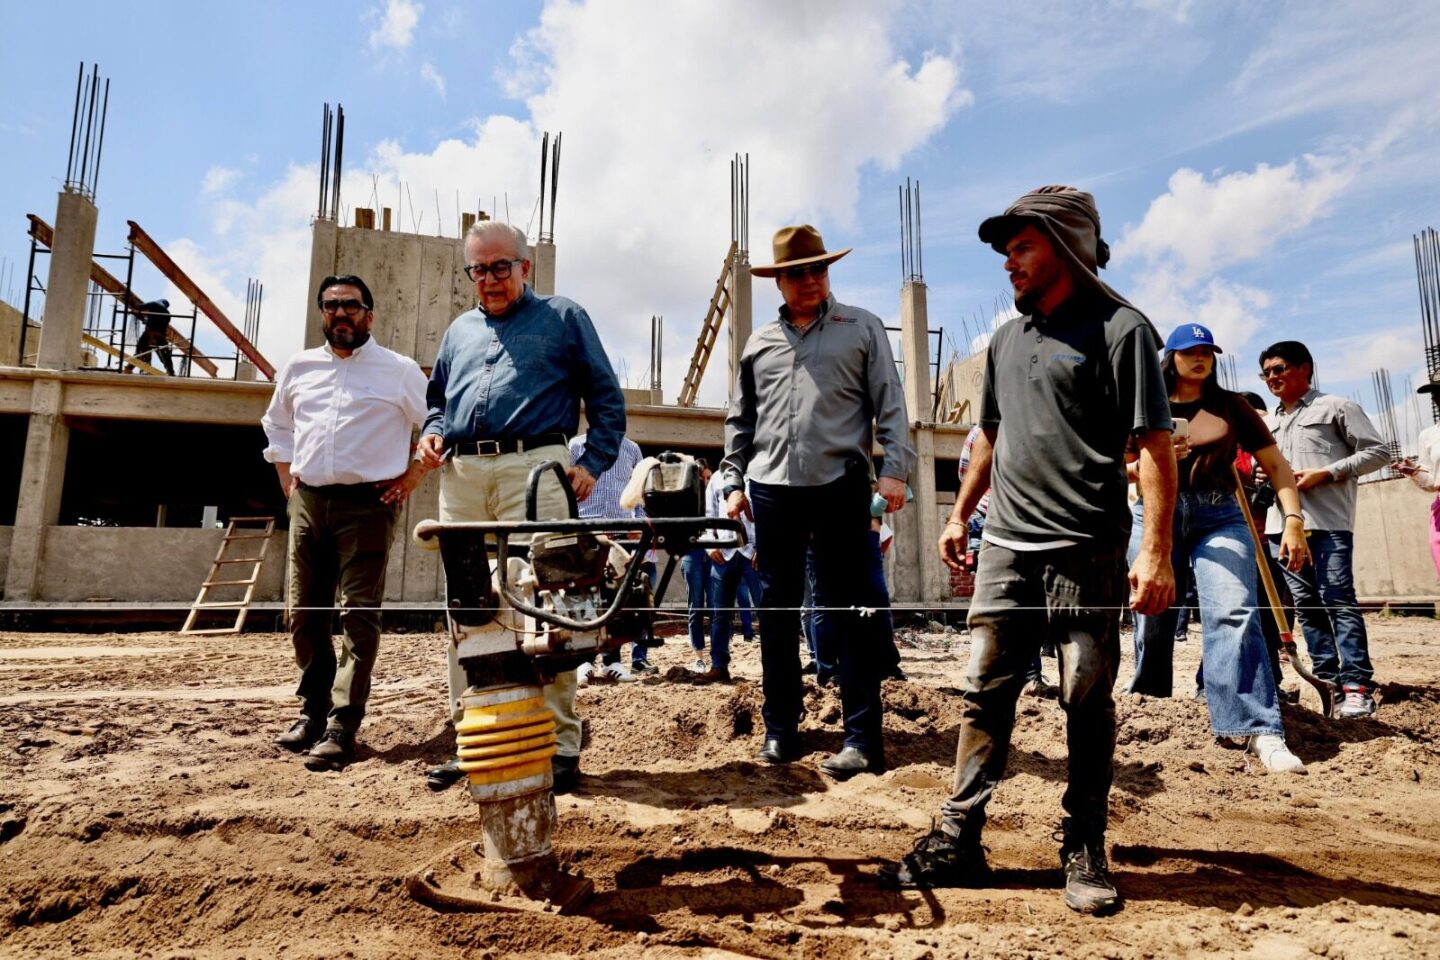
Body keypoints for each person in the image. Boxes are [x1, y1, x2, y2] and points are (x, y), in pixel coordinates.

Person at [883, 186, 1176, 916]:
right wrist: (963, 513)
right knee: (984, 690)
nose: (1008, 264)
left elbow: (1155, 448)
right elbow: (989, 437)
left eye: (1022, 247)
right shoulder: (1006, 342)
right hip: (1007, 546)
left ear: (1067, 244)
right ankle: (959, 838)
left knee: (1084, 692)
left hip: (1088, 547)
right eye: (1005, 251)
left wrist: (1158, 554)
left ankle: (1084, 844)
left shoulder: (1122, 329)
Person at [417, 220, 626, 792]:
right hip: (461, 474)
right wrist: (432, 432)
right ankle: (477, 739)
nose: (489, 279)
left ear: (526, 267)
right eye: (478, 269)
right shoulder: (459, 331)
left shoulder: (563, 317)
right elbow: (437, 402)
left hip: (536, 467)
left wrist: (593, 462)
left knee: (555, 599)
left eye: (500, 267)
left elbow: (606, 397)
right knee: (470, 605)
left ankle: (558, 746)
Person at [721, 224, 914, 781]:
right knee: (776, 615)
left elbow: (891, 405)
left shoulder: (863, 329)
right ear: (778, 281)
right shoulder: (758, 345)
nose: (809, 280)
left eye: (818, 269)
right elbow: (741, 421)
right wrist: (733, 481)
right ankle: (781, 729)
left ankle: (861, 739)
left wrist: (894, 470)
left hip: (841, 486)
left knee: (849, 613)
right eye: (797, 273)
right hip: (772, 492)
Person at [262, 274, 429, 771]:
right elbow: (277, 425)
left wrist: (414, 474)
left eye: (351, 306)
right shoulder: (299, 367)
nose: (341, 314)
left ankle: (342, 725)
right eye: (331, 306)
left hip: (369, 505)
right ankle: (312, 712)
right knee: (304, 614)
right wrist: (287, 481)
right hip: (309, 500)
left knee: (358, 616)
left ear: (370, 315)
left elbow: (437, 421)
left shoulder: (398, 371)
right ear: (322, 314)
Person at [1126, 324, 1308, 773]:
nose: (1201, 357)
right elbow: (1114, 466)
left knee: (1233, 610)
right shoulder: (1143, 404)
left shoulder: (1233, 406)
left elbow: (1277, 467)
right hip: (1154, 515)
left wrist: (1293, 520)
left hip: (1219, 514)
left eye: (1207, 350)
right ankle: (1150, 707)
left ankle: (1256, 727)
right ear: (1171, 357)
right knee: (1153, 614)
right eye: (1190, 351)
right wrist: (1155, 460)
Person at [1259, 340, 1388, 718]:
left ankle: (1357, 685)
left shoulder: (1336, 408)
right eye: (1266, 372)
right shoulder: (1268, 422)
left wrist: (1329, 472)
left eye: (1279, 369)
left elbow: (1378, 452)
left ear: (1305, 369)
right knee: (1307, 606)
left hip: (1326, 523)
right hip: (1278, 528)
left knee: (1338, 600)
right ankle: (1328, 682)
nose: (1272, 378)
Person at [956, 423, 1055, 698]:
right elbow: (969, 477)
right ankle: (1001, 678)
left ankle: (1026, 676)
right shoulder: (981, 435)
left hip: (1019, 520)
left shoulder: (1019, 429)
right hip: (992, 519)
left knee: (1024, 603)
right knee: (998, 609)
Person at [569, 433, 648, 683]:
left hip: (621, 531)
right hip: (585, 528)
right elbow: (565, 486)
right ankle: (584, 660)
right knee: (583, 596)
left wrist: (638, 522)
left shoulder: (633, 449)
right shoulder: (575, 445)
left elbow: (641, 490)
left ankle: (613, 661)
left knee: (618, 597)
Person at [699, 468, 757, 683]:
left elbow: (771, 515)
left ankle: (774, 668)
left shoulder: (761, 473)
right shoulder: (716, 478)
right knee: (719, 614)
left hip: (754, 553)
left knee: (768, 612)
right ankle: (718, 666)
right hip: (724, 553)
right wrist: (709, 544)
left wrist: (765, 548)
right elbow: (707, 516)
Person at [1396, 381, 1440, 578]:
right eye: (1434, 393)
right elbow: (1431, 482)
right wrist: (1414, 472)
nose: (1435, 398)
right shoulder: (1429, 435)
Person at [680, 460, 714, 674]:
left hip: (713, 552)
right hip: (692, 552)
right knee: (696, 605)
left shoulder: (715, 497)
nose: (707, 481)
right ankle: (699, 656)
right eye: (704, 477)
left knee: (716, 605)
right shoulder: (686, 499)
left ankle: (718, 655)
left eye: (709, 477)